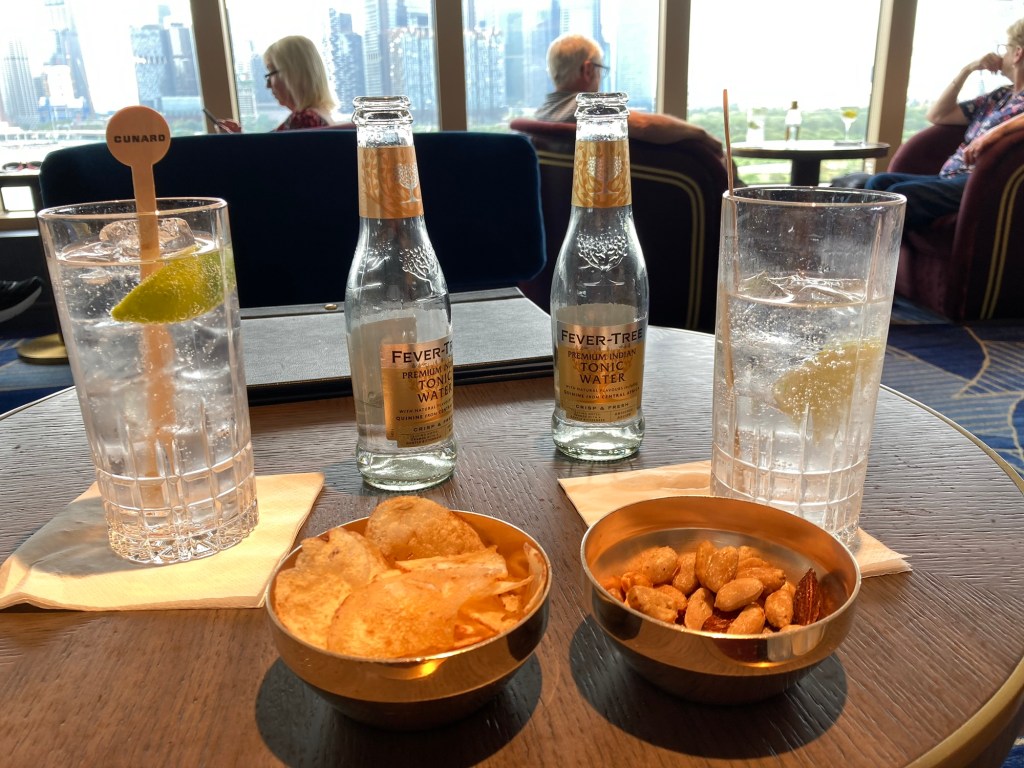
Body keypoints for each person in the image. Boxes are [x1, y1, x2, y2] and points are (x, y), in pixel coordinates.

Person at [865, 18, 1024, 230]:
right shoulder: (1000, 95)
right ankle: (860, 247)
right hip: (951, 176)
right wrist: (968, 69)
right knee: (878, 184)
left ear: (1017, 53)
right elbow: (938, 115)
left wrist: (993, 134)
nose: (1001, 55)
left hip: (981, 180)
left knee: (898, 196)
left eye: (1005, 48)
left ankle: (864, 249)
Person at [536, 34, 724, 156]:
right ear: (588, 70)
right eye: (600, 69)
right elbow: (644, 126)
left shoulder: (541, 115)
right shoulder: (585, 108)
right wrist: (701, 134)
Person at [218, 35, 336, 132]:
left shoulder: (304, 120)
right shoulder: (321, 116)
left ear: (293, 74)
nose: (268, 85)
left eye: (271, 72)